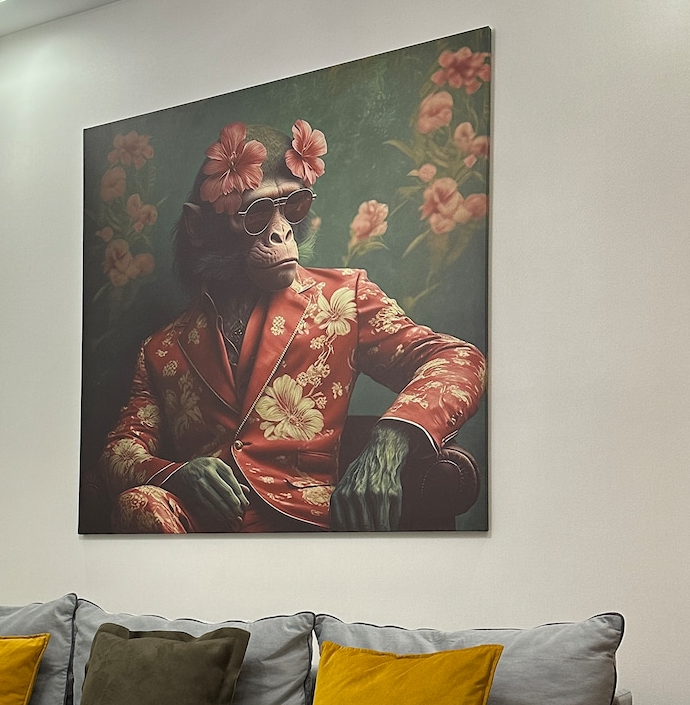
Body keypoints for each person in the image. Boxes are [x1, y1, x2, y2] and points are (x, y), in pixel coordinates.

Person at [99, 119, 485, 533]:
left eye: (294, 206)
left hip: (305, 522)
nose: (283, 233)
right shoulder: (162, 349)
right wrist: (177, 475)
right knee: (137, 503)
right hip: (206, 529)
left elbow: (459, 359)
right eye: (258, 212)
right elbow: (119, 451)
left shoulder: (344, 298)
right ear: (198, 227)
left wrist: (389, 441)